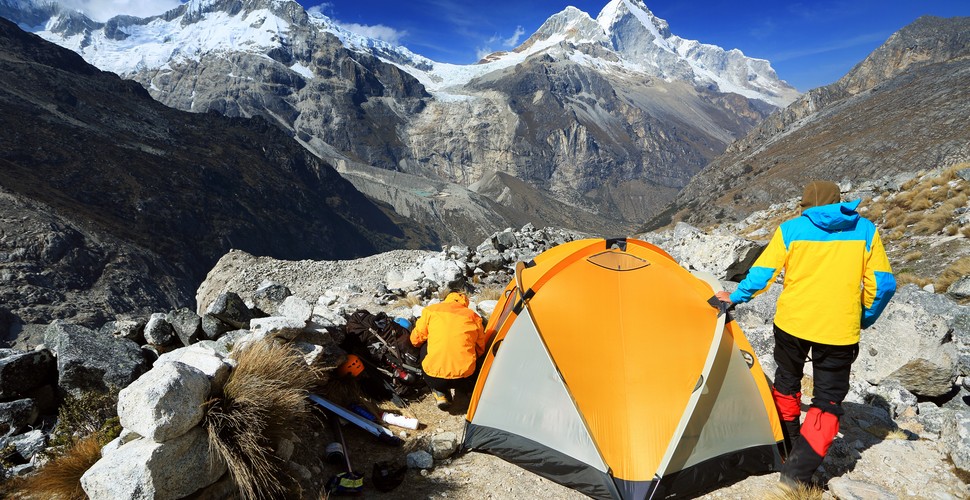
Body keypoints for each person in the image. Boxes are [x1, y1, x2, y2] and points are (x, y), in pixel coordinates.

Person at [715, 180, 896, 488]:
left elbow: (762, 273)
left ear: (806, 206)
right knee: (827, 400)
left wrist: (736, 296)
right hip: (839, 330)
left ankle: (788, 445)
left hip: (792, 324)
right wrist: (862, 317)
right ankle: (797, 473)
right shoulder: (865, 230)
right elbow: (883, 285)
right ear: (839, 202)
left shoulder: (792, 229)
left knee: (787, 379)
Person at [410, 291, 487, 410]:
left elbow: (415, 340)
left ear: (446, 299)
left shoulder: (431, 310)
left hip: (434, 378)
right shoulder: (473, 316)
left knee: (425, 345)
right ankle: (468, 391)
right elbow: (481, 348)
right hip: (465, 378)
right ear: (465, 303)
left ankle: (440, 393)